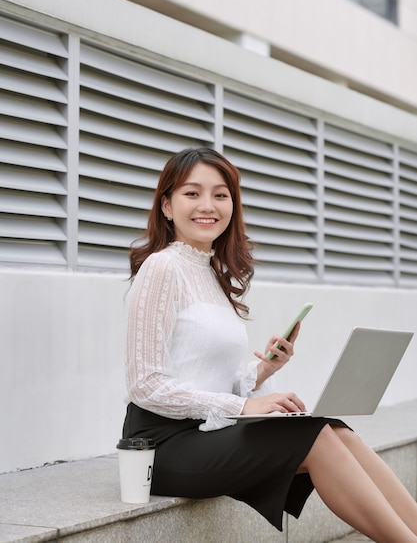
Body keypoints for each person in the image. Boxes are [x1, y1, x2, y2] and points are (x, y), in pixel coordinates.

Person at [122, 147, 417, 543]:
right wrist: (244, 406)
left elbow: (202, 377)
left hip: (206, 433)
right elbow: (146, 384)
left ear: (233, 205)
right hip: (163, 446)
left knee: (333, 429)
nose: (207, 205)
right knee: (313, 437)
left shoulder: (211, 273)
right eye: (192, 193)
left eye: (220, 194)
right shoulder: (162, 268)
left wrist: (263, 372)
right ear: (167, 206)